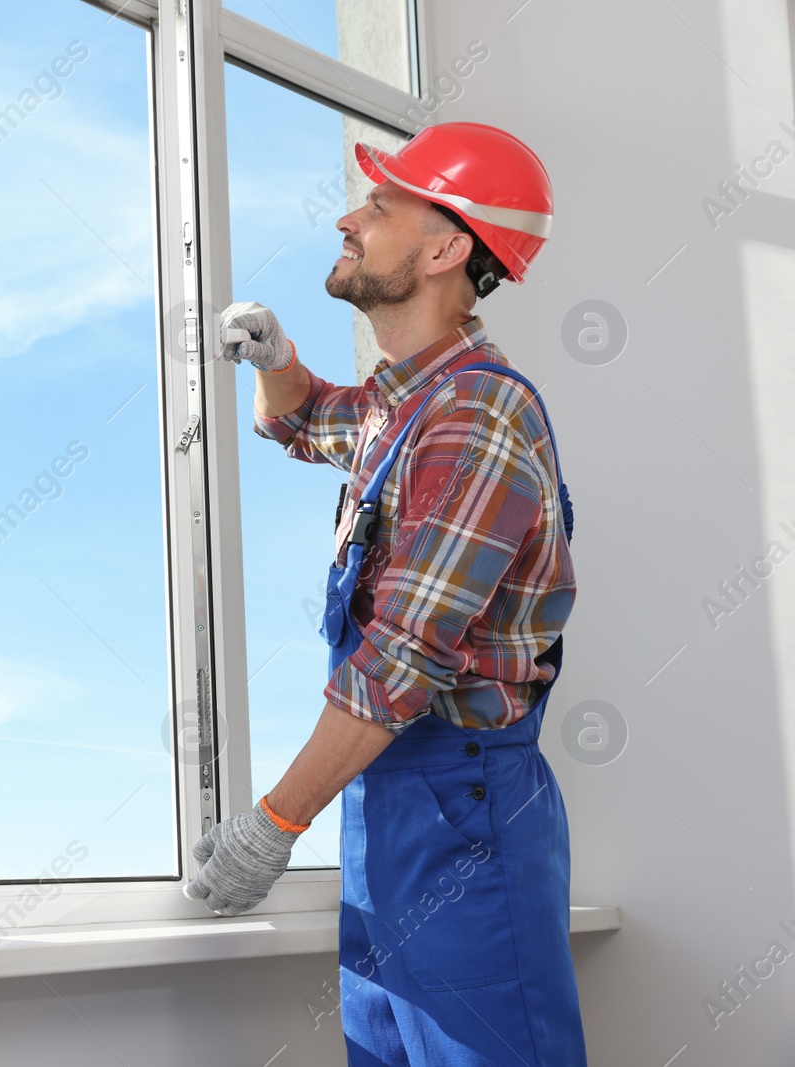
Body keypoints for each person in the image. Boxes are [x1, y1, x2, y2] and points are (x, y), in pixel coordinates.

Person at [185, 122, 586, 1065]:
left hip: (464, 808)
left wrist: (273, 823)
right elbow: (303, 420)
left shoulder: (479, 414)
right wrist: (274, 354)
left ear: (448, 248)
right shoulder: (402, 403)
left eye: (379, 205)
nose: (347, 217)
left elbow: (399, 662)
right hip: (389, 804)